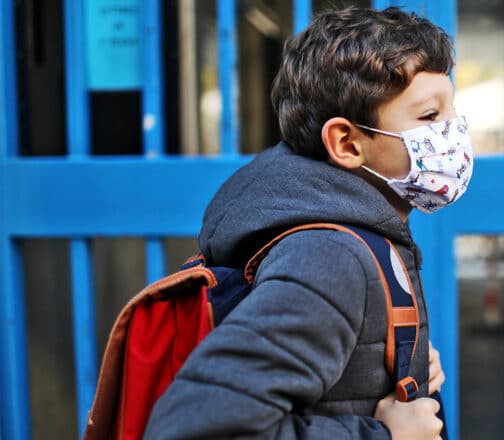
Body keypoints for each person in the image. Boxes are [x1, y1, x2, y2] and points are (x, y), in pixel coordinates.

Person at [144, 6, 472, 439]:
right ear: (346, 142)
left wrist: (392, 359)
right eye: (430, 117)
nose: (453, 133)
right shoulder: (331, 259)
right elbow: (195, 428)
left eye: (451, 112)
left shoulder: (352, 234)